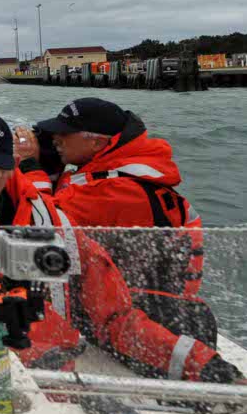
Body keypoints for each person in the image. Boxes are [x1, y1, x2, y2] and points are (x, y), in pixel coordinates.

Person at [0, 110, 243, 385]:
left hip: (41, 379)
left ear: (11, 169)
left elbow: (114, 317)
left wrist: (206, 367)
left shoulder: (53, 224)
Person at [14, 98, 209, 343]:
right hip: (128, 293)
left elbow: (42, 222)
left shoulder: (117, 191)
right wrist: (51, 162)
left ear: (96, 142)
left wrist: (31, 166)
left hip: (136, 316)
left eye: (64, 134)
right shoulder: (112, 173)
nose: (56, 139)